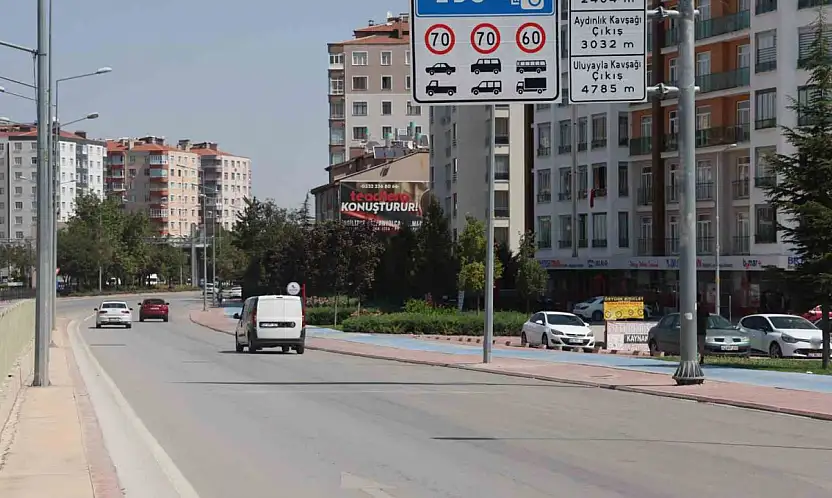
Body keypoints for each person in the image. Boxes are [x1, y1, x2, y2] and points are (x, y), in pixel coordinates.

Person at [696, 294, 708, 365]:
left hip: (695, 330)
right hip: (702, 330)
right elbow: (707, 316)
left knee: (697, 345)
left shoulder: (694, 308)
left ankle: (699, 358)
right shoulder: (704, 308)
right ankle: (701, 359)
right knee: (701, 346)